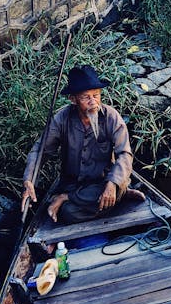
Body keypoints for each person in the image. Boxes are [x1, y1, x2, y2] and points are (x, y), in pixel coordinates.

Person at [21, 64, 145, 224]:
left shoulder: (111, 117)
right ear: (73, 99)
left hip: (103, 182)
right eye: (86, 97)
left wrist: (113, 183)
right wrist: (28, 180)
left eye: (96, 95)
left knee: (110, 187)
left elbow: (125, 154)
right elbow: (41, 151)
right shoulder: (62, 119)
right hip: (74, 185)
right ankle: (118, 198)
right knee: (68, 213)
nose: (93, 102)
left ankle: (113, 193)